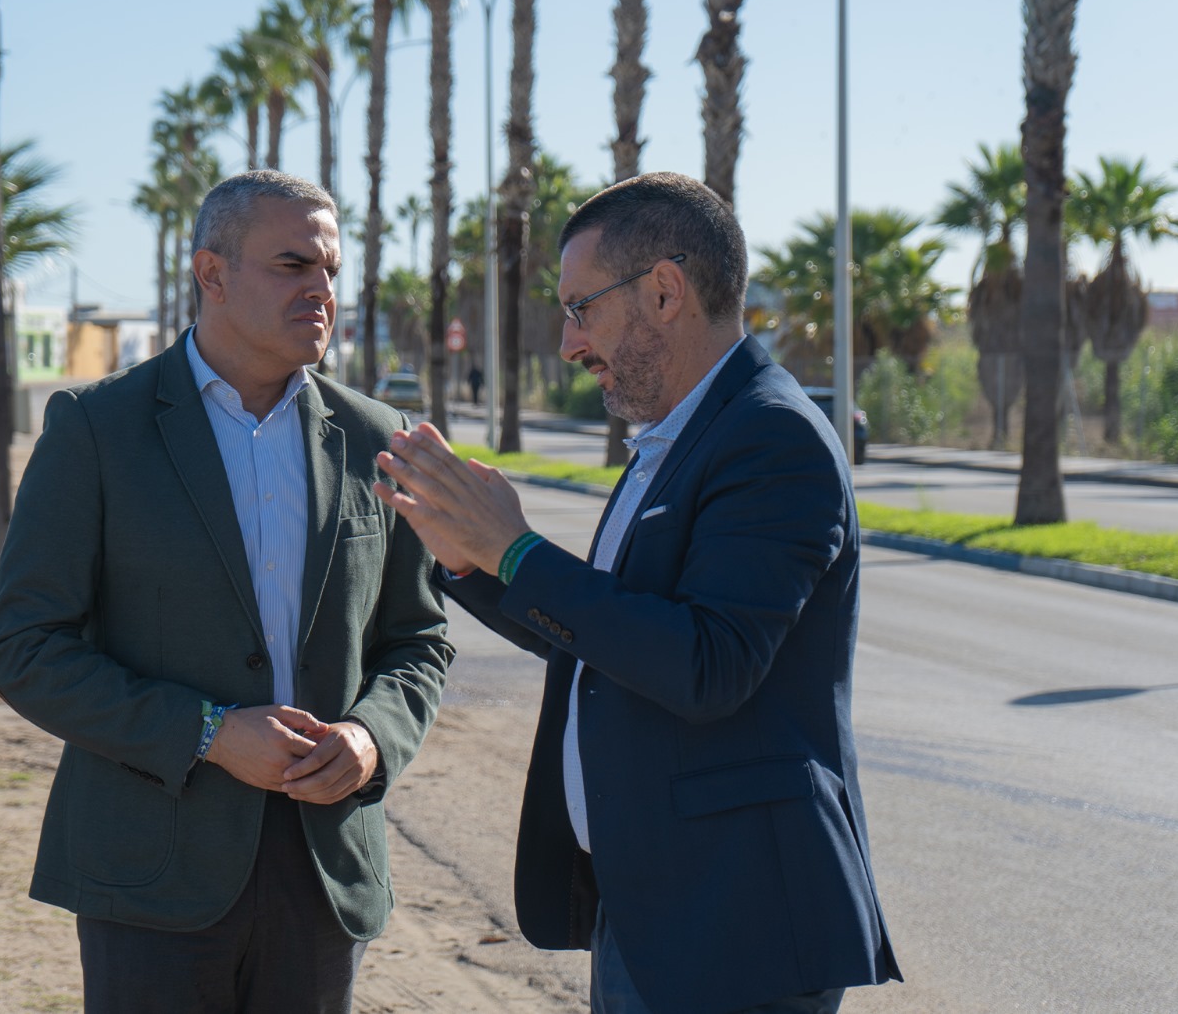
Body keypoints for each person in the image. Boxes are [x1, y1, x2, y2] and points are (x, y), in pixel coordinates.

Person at [374, 172, 900, 1014]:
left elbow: (705, 664)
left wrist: (515, 549)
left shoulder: (771, 438)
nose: (570, 343)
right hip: (658, 910)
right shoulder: (679, 436)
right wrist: (475, 561)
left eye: (581, 308)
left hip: (737, 925)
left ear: (663, 291)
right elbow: (609, 637)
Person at [0, 170, 453, 1014]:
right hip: (152, 871)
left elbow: (418, 641)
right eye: (291, 265)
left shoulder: (377, 440)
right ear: (212, 273)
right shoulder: (96, 429)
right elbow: (25, 649)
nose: (320, 290)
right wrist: (207, 733)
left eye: (330, 271)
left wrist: (369, 737)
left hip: (321, 867)